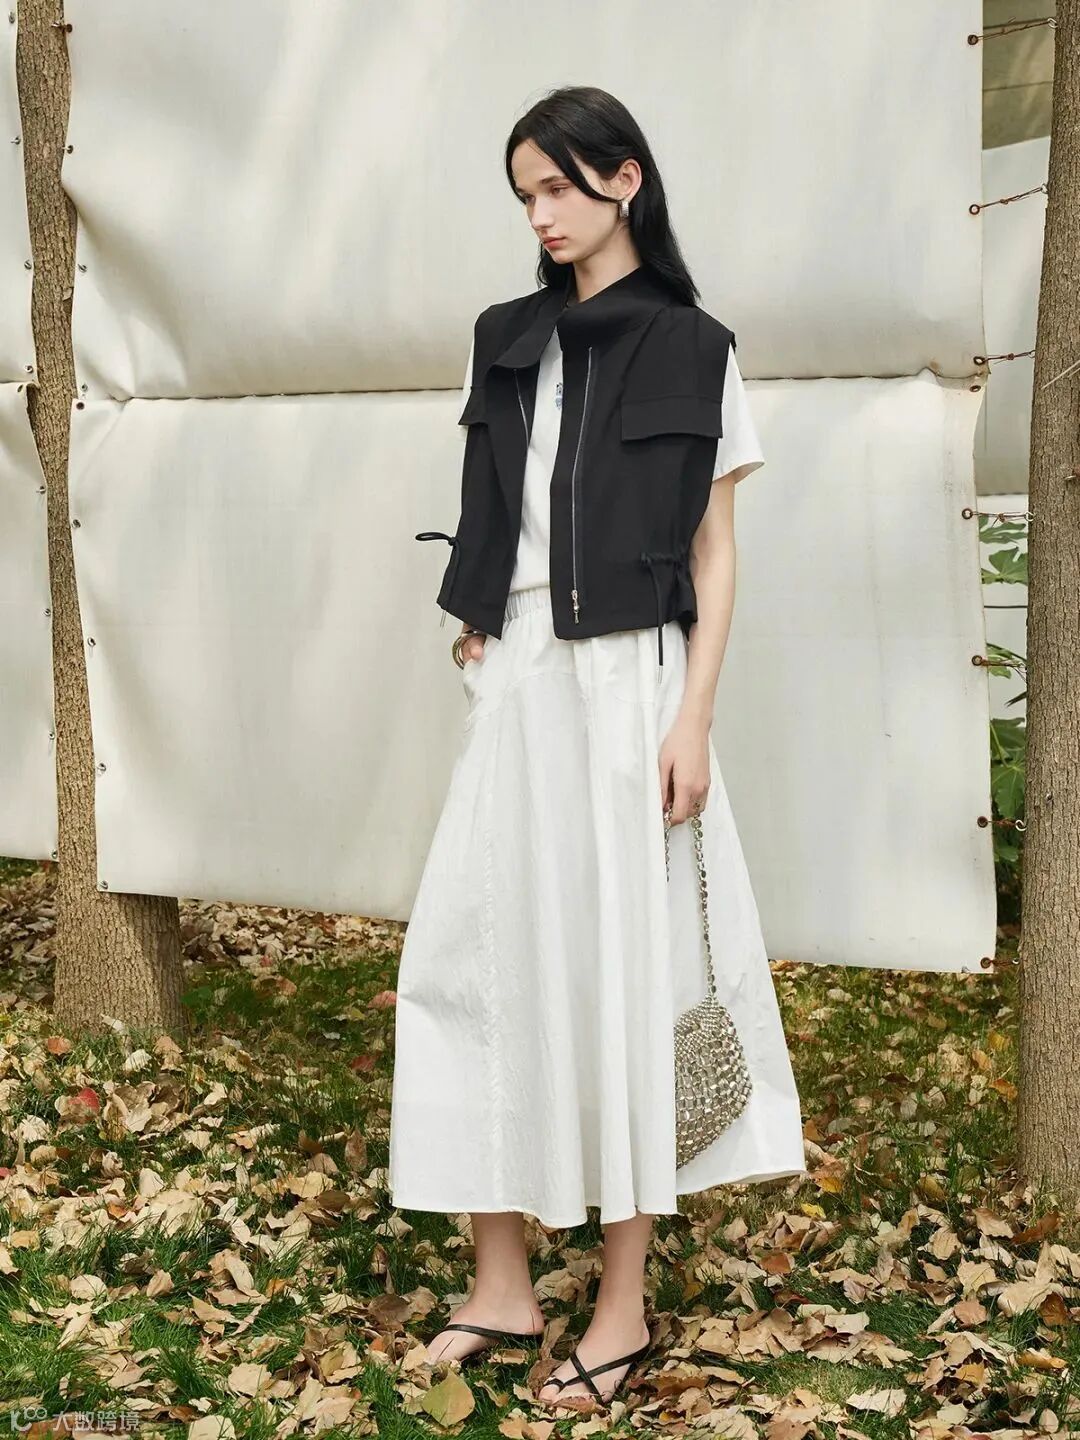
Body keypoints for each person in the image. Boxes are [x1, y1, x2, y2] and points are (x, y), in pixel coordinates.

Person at [388, 84, 805, 1411]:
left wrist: (695, 716)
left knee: (629, 975)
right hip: (523, 680)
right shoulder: (505, 337)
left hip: (636, 686)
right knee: (471, 963)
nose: (541, 214)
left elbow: (715, 553)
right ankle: (501, 1282)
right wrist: (479, 627)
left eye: (560, 186)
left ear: (625, 179)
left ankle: (621, 1306)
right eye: (525, 194)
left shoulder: (696, 346)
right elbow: (493, 506)